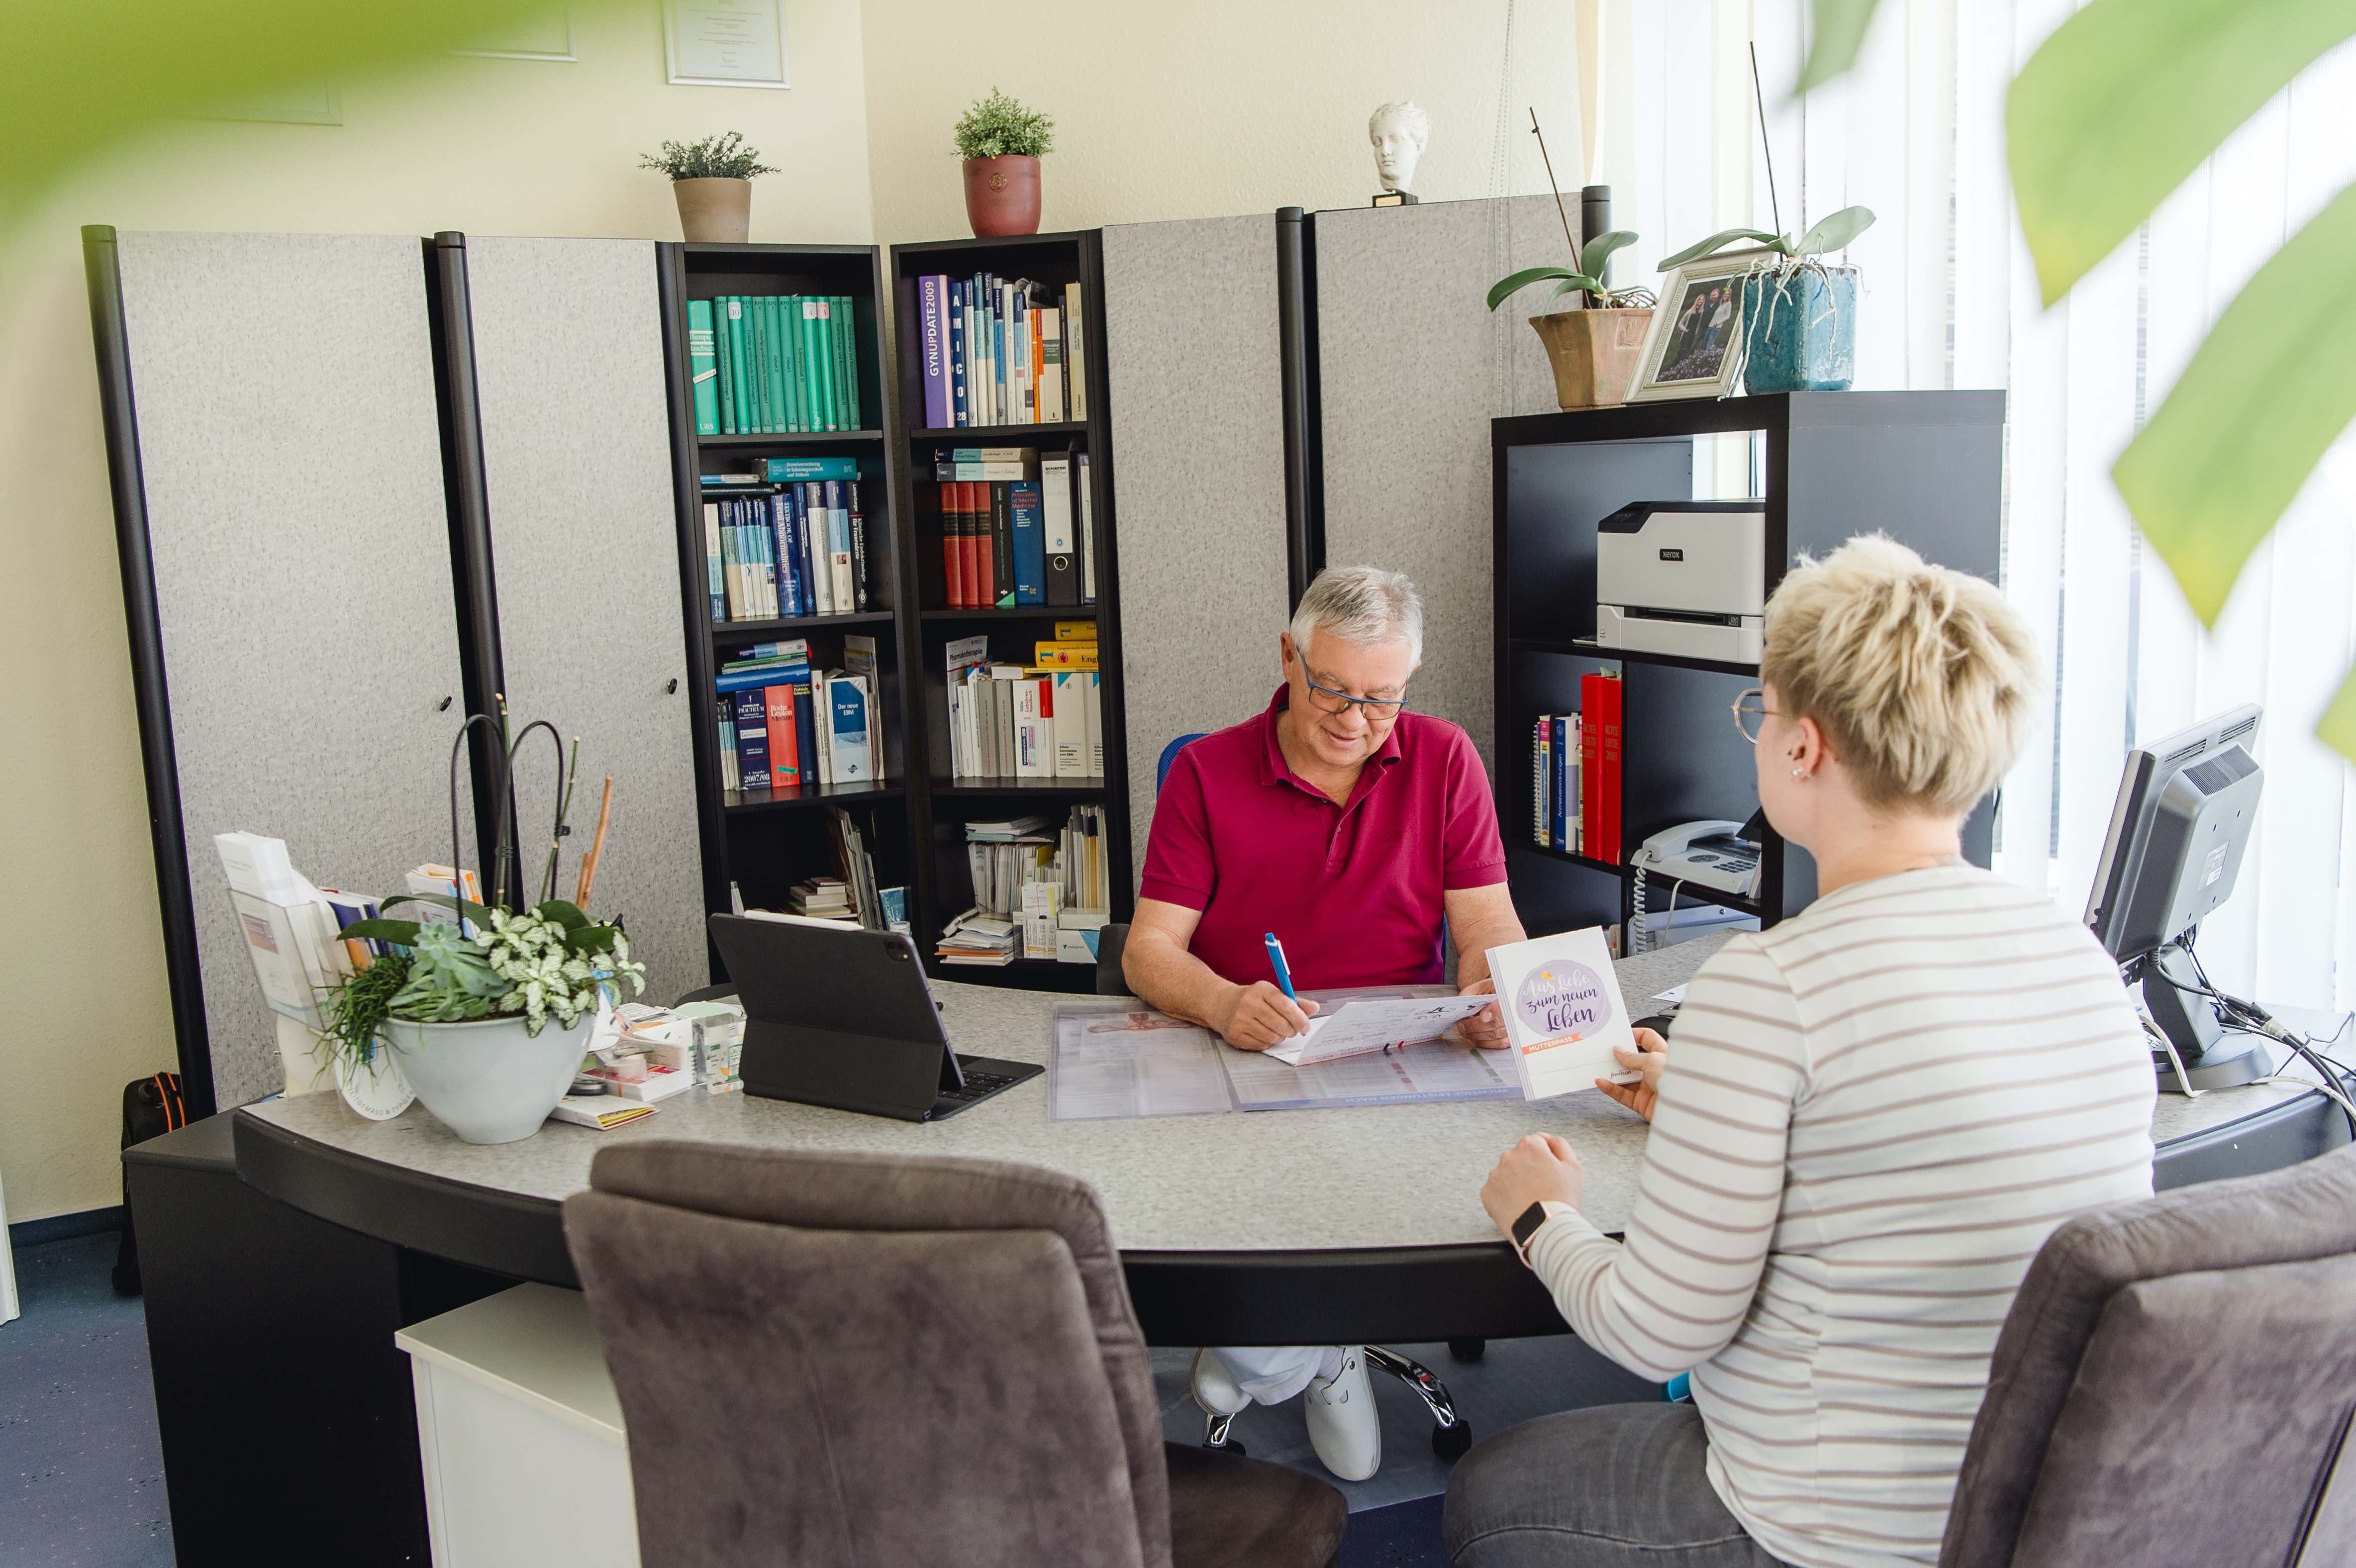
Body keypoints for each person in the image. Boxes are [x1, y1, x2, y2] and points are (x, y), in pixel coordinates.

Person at [1450, 536, 2156, 1568]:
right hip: (2041, 1504)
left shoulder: (1769, 984)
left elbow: (1654, 1335)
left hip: (1830, 1530)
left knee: (1491, 1495)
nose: (1758, 732)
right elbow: (1903, 1135)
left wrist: (1538, 1215)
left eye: (1762, 709)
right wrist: (1697, 1093)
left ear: (1806, 748)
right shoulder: (2076, 955)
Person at [1125, 563, 1526, 1482]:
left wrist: (1488, 988)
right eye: (1333, 690)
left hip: (1401, 1048)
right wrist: (1226, 1003)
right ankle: (1321, 1350)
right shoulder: (1207, 770)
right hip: (1249, 1046)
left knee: (1347, 1208)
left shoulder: (1446, 756)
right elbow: (1149, 952)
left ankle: (1280, 1350)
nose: (1354, 721)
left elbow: (1489, 923)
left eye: (1382, 701)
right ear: (1288, 656)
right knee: (1272, 1202)